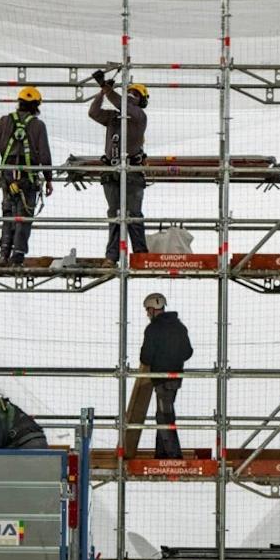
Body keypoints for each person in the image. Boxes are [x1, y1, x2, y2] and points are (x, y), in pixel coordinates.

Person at [0, 86, 52, 264]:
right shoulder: (38, 125)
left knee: (8, 213)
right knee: (23, 216)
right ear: (36, 105)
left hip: (7, 177)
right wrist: (48, 179)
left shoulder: (4, 121)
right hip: (28, 178)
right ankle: (18, 254)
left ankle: (3, 253)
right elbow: (45, 155)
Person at [87, 71, 149, 261]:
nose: (131, 95)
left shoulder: (139, 116)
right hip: (112, 173)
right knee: (115, 215)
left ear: (141, 101)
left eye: (136, 94)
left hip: (132, 174)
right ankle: (112, 257)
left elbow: (125, 106)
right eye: (129, 92)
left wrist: (107, 89)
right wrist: (102, 92)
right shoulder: (114, 117)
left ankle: (140, 256)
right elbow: (93, 113)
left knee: (133, 215)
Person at [124, 291, 192, 459]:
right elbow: (187, 352)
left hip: (161, 379)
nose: (147, 314)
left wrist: (159, 360)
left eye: (148, 310)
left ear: (153, 309)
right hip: (175, 378)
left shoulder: (153, 329)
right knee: (163, 414)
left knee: (164, 417)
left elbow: (145, 357)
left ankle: (173, 456)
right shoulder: (179, 327)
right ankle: (161, 454)